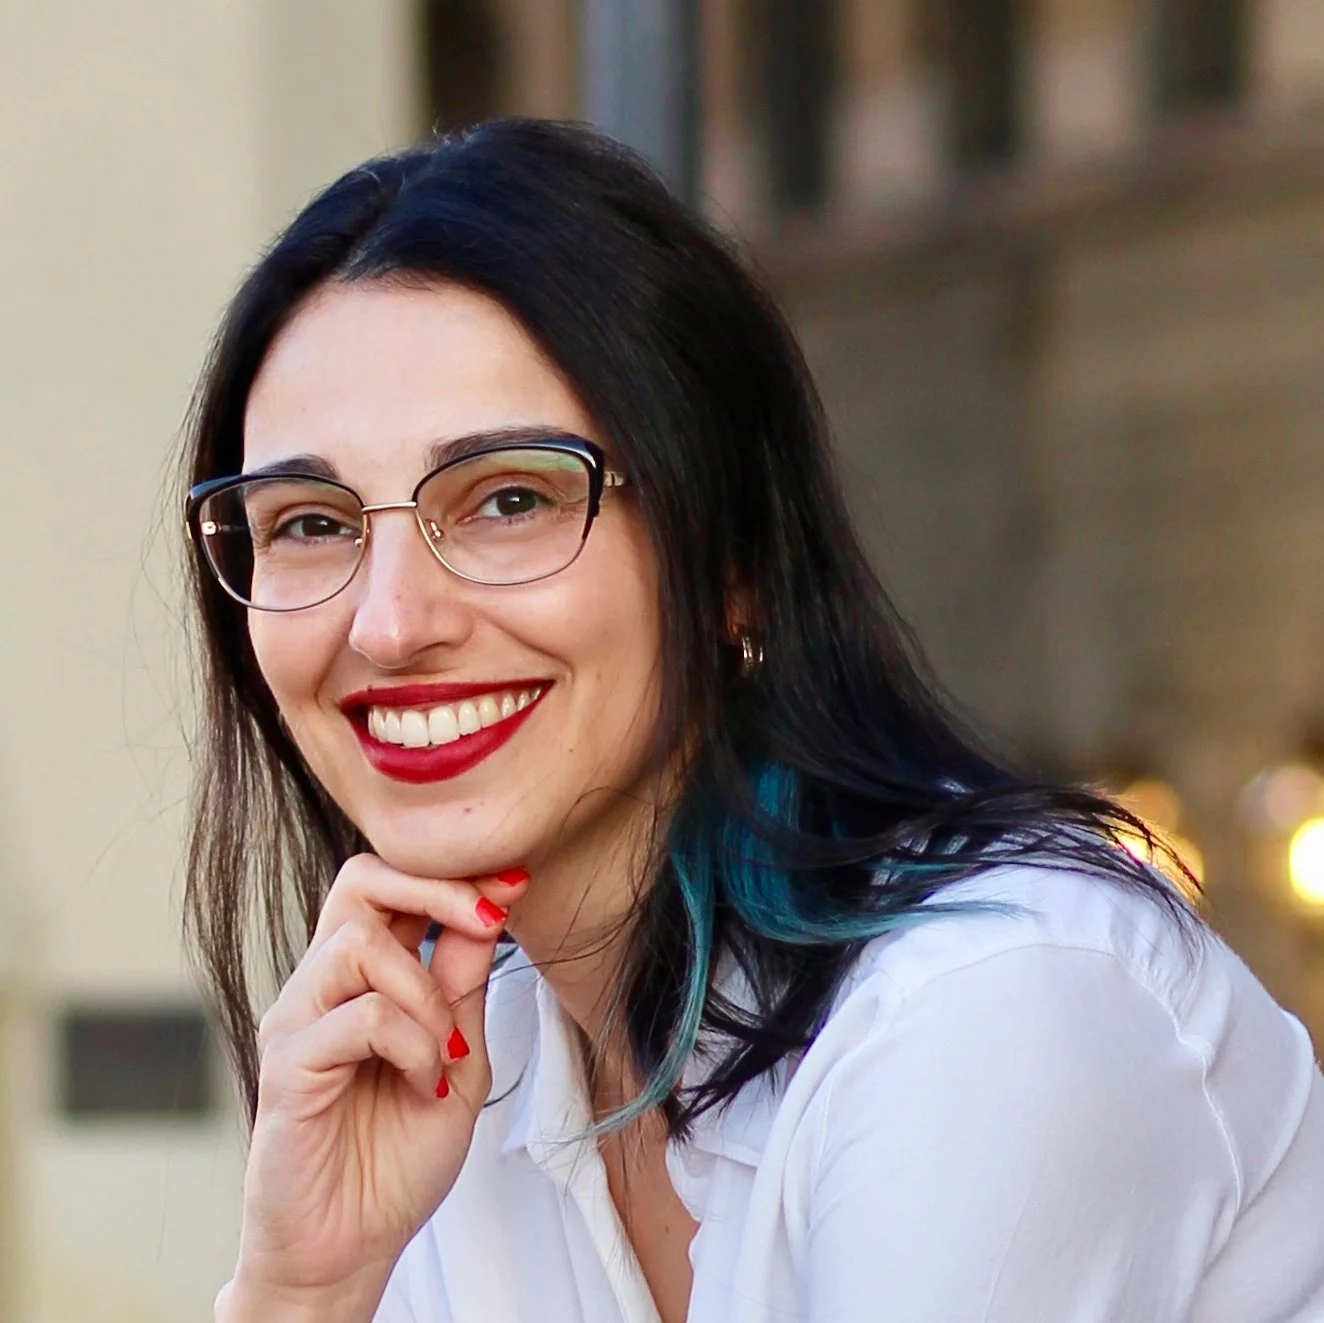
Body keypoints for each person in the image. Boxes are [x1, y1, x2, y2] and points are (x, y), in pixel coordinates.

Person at [182, 119, 1324, 1323]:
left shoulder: (982, 1009)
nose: (388, 623)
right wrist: (305, 1290)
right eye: (309, 523)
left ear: (732, 560)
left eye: (509, 499)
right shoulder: (466, 1076)